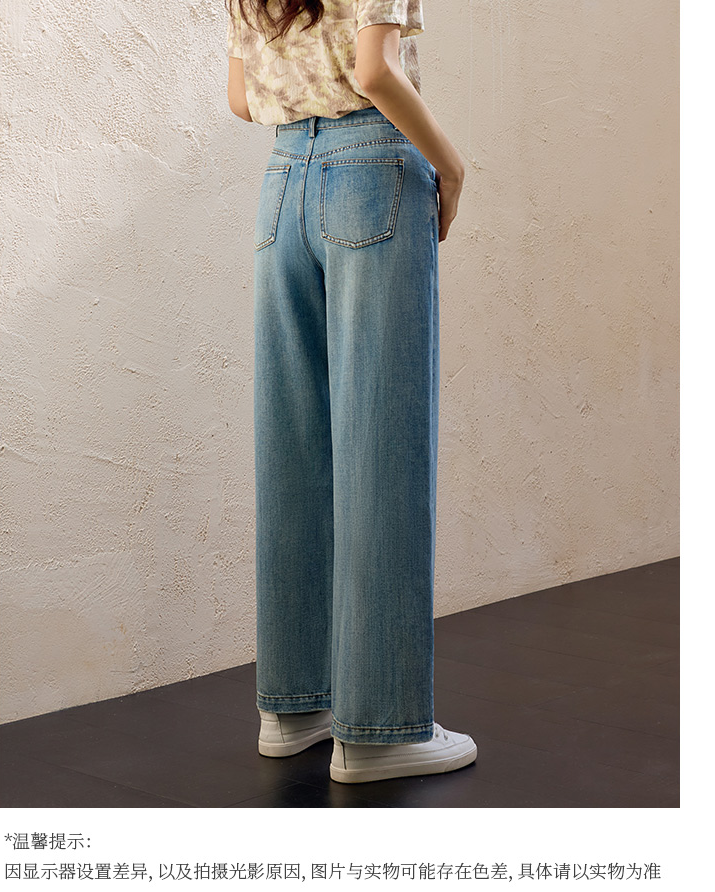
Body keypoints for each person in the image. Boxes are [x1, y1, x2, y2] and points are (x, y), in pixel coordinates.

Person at [226, 0, 477, 784]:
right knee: (382, 446)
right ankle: (379, 730)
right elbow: (375, 71)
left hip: (281, 184)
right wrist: (450, 165)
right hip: (372, 170)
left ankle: (293, 705)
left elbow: (240, 98)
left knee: (293, 447)